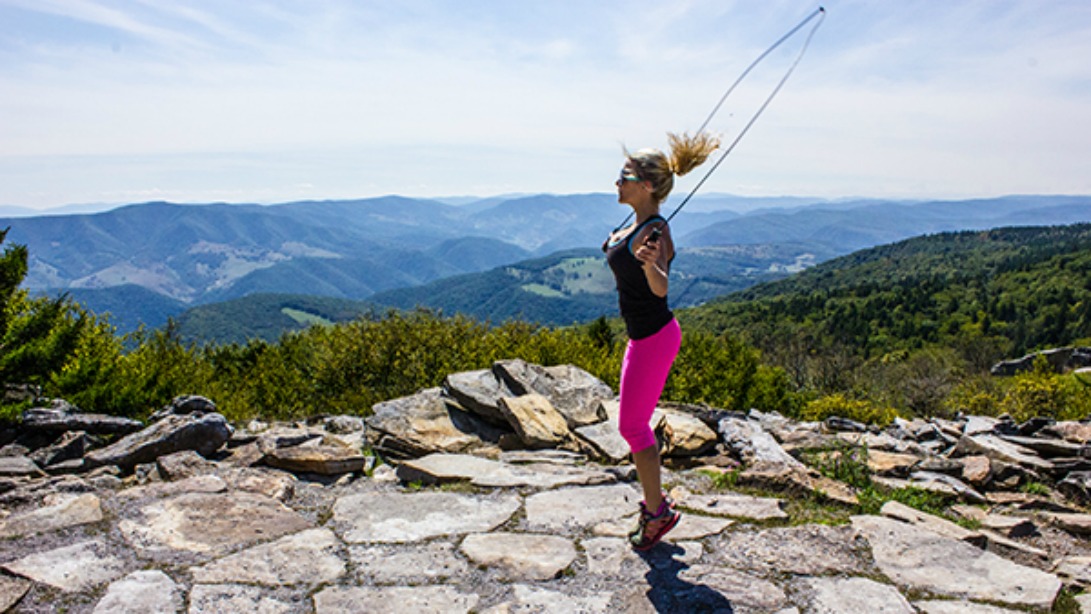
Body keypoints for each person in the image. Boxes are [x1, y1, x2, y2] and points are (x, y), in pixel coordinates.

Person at [602, 132, 719, 551]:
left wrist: (652, 266)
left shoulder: (655, 233)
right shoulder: (634, 224)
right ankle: (656, 506)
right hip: (644, 337)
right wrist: (614, 244)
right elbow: (621, 251)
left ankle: (657, 513)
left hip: (653, 337)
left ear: (646, 185)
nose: (617, 182)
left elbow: (660, 288)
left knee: (633, 426)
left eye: (624, 176)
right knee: (633, 423)